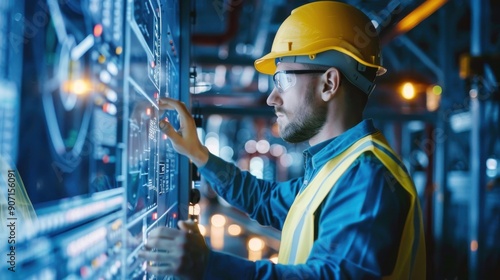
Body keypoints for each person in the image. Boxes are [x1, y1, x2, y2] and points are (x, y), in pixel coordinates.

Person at [139, 1, 426, 279]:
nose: (272, 98)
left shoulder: (367, 178)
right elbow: (263, 200)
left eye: (283, 81)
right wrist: (199, 153)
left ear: (329, 83)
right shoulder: (332, 170)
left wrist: (208, 266)